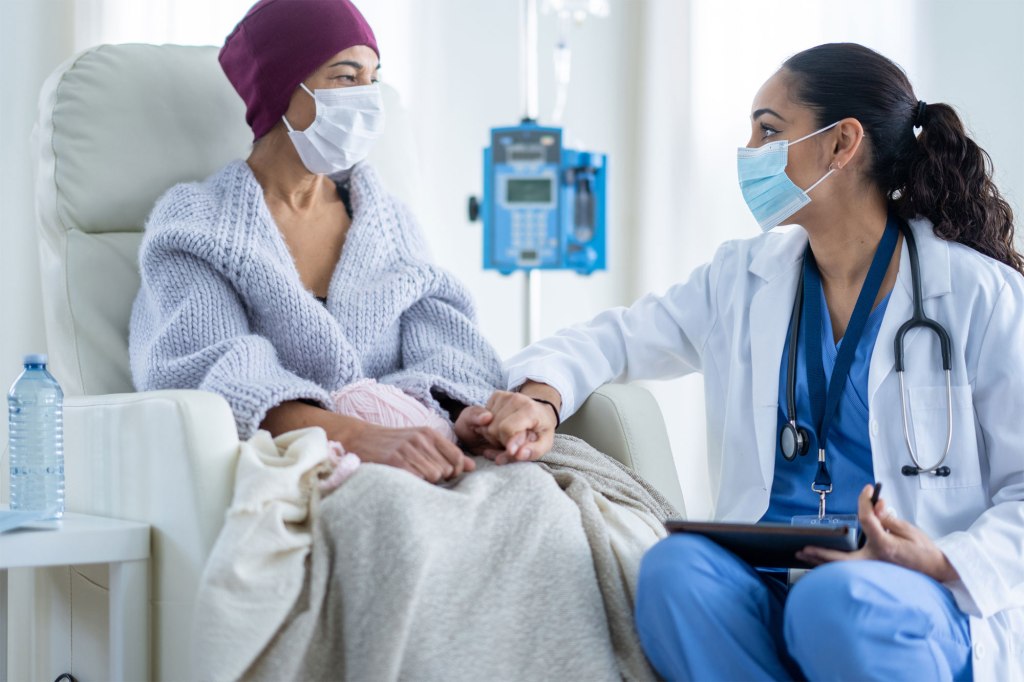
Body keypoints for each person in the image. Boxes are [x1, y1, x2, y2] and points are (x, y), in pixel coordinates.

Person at [129, 1, 674, 679]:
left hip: (430, 443)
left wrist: (463, 415)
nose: (368, 97)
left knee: (539, 505)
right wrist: (362, 437)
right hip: (318, 457)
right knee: (391, 519)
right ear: (283, 90)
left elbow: (450, 344)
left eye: (374, 76)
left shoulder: (384, 219)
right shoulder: (198, 225)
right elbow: (210, 364)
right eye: (344, 76)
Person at [485, 43, 1024, 681]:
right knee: (674, 571)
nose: (748, 152)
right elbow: (617, 338)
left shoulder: (978, 296)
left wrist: (943, 561)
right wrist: (541, 397)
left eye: (769, 130)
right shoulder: (741, 278)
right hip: (771, 571)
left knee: (834, 603)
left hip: (906, 592)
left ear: (841, 143)